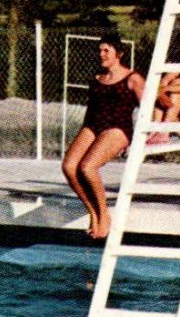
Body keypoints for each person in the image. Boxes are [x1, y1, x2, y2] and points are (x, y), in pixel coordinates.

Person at [62, 36, 144, 242]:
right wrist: (86, 134)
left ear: (119, 53)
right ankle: (93, 211)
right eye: (100, 51)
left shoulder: (132, 79)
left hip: (118, 128)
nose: (102, 55)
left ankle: (103, 214)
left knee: (87, 167)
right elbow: (92, 111)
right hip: (93, 125)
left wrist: (144, 136)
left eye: (106, 50)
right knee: (69, 167)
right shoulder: (97, 78)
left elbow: (150, 106)